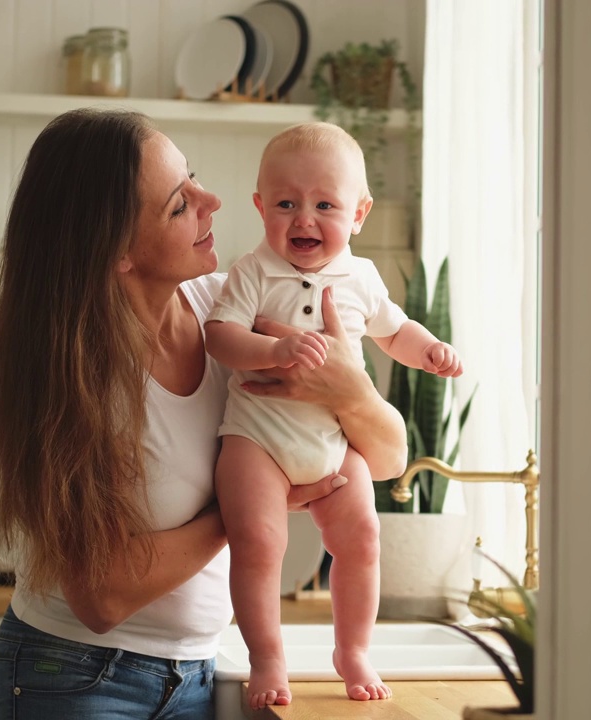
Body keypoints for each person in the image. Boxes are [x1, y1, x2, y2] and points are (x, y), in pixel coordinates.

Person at [0, 109, 408, 719]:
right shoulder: (66, 373)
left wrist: (351, 394)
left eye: (195, 178)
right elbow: (101, 595)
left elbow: (389, 461)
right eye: (179, 205)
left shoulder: (232, 308)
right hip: (70, 678)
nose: (213, 201)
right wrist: (249, 511)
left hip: (197, 674)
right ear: (119, 251)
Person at [203, 122, 463, 710]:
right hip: (257, 439)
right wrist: (273, 351)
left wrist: (429, 352)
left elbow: (394, 331)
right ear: (260, 205)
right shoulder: (251, 271)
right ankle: (267, 656)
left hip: (332, 442)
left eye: (325, 205)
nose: (304, 219)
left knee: (363, 537)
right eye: (287, 203)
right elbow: (219, 336)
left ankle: (353, 650)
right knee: (258, 543)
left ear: (359, 213)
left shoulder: (361, 277)